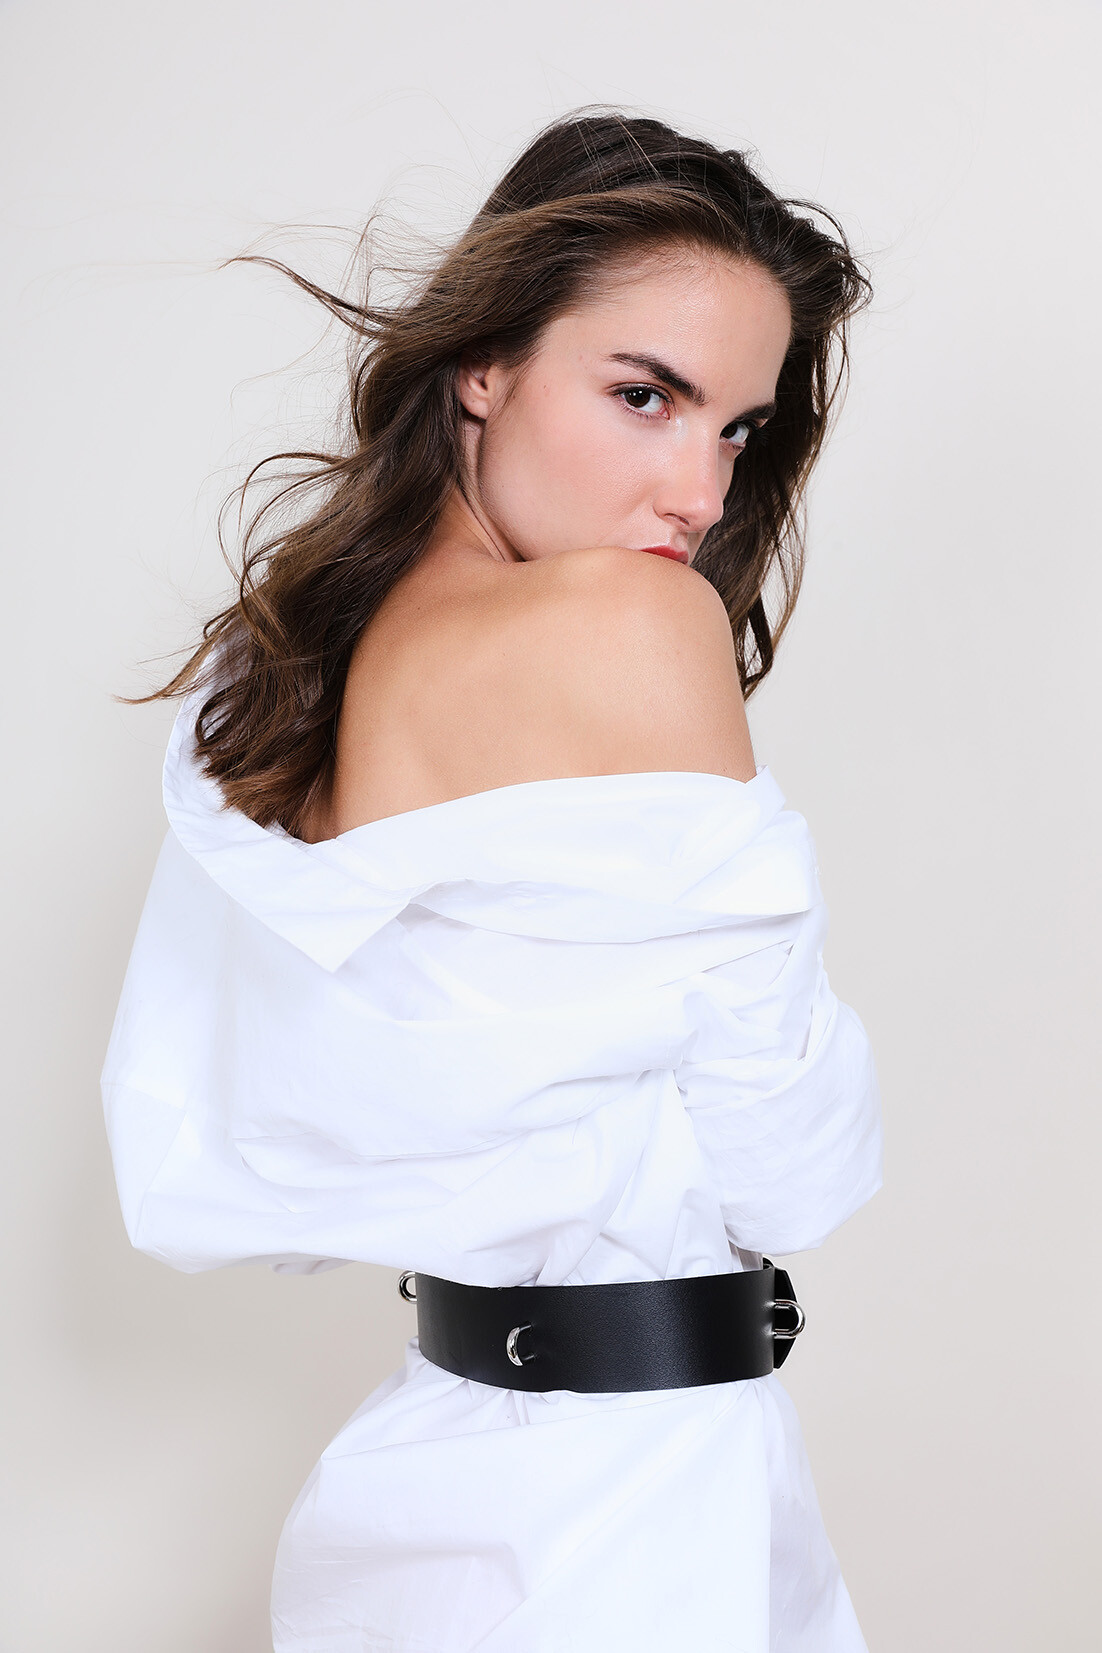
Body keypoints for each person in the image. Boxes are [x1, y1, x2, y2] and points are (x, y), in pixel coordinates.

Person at [102, 109, 884, 1651]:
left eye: (736, 428)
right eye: (643, 395)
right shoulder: (629, 626)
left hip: (442, 1468)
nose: (698, 490)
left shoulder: (296, 674)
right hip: (627, 1499)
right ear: (483, 363)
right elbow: (797, 1167)